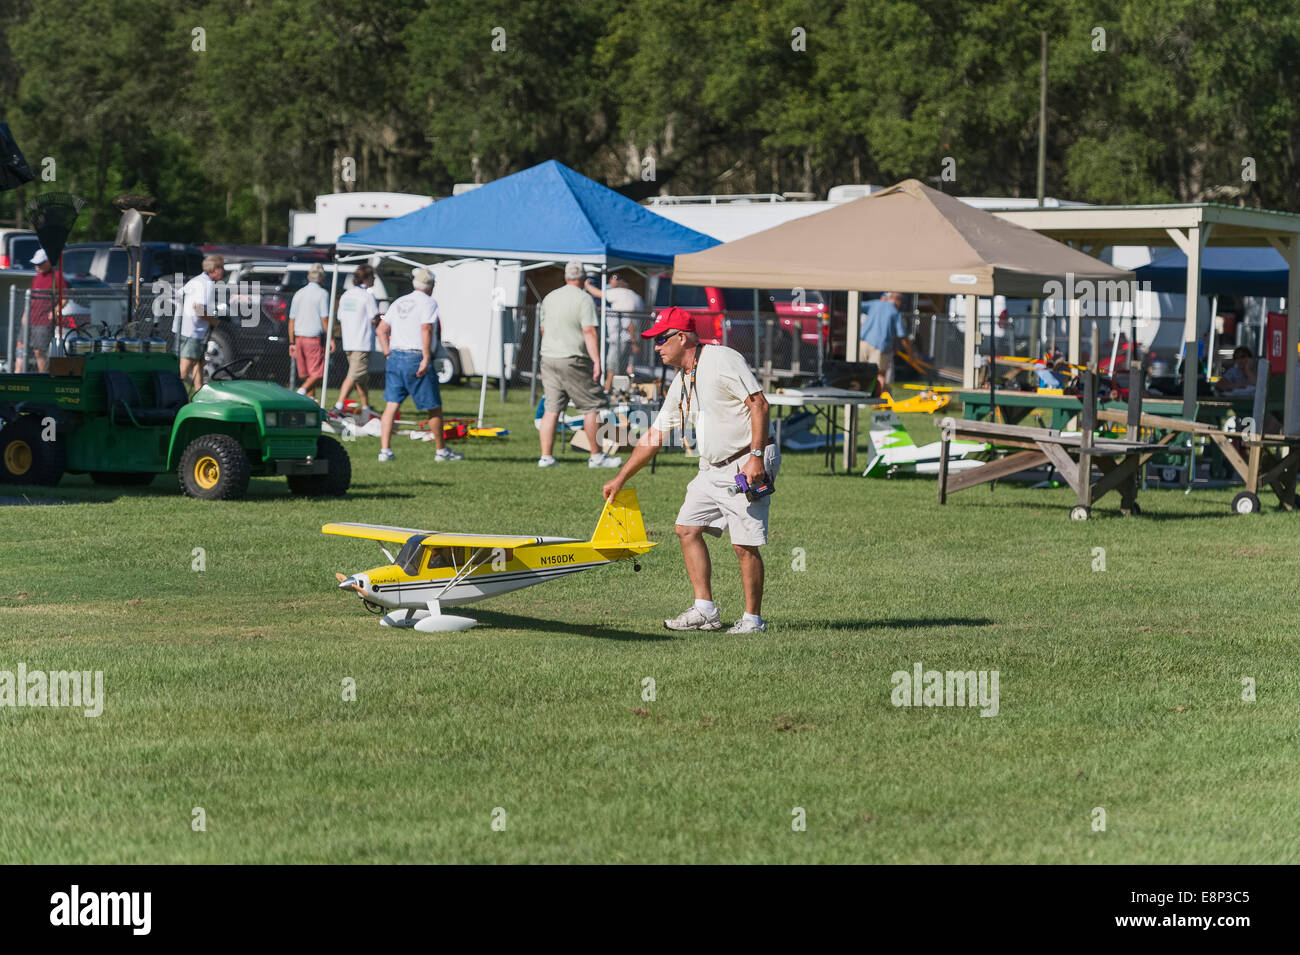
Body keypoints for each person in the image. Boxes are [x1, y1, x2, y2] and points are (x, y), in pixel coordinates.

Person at [601, 306, 779, 634]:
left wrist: (755, 458)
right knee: (686, 528)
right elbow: (654, 435)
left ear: (682, 338)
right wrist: (621, 476)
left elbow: (760, 404)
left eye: (662, 339)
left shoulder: (722, 358)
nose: (657, 347)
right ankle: (705, 611)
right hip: (711, 468)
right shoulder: (683, 378)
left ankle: (753, 620)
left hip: (746, 461)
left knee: (744, 545)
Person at [537, 261, 621, 468]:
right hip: (574, 358)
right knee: (591, 407)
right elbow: (589, 331)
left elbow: (543, 330)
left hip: (548, 357)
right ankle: (596, 456)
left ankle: (546, 457)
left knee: (551, 408)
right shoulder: (584, 299)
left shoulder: (550, 297)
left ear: (566, 277)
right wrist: (596, 361)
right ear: (584, 279)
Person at [375, 267, 464, 463]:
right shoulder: (429, 303)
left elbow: (381, 330)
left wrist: (387, 353)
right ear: (430, 286)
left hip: (395, 356)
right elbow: (426, 328)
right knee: (434, 407)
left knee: (391, 405)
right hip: (415, 357)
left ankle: (385, 451)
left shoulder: (399, 301)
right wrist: (425, 357)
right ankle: (441, 451)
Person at [334, 264, 380, 419]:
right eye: (372, 277)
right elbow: (374, 318)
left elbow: (340, 317)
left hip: (349, 341)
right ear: (366, 279)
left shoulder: (346, 295)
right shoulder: (368, 296)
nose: (374, 279)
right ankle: (338, 406)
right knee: (354, 375)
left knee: (361, 377)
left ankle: (366, 406)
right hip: (363, 342)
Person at [584, 271, 645, 391]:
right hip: (632, 340)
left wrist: (586, 285)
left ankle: (608, 390)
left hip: (622, 340)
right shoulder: (635, 296)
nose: (610, 282)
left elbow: (629, 323)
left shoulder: (619, 293)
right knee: (626, 369)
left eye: (613, 279)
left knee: (613, 368)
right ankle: (623, 393)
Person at [177, 254, 226, 391]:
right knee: (184, 370)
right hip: (193, 332)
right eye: (221, 267)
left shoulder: (196, 280)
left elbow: (180, 295)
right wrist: (214, 322)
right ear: (215, 269)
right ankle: (173, 396)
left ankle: (199, 395)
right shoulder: (207, 284)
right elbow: (198, 309)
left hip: (185, 329)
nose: (223, 271)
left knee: (199, 363)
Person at [24, 248, 66, 373]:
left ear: (48, 262)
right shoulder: (37, 277)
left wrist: (54, 312)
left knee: (40, 351)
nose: (37, 266)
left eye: (40, 263)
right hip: (31, 318)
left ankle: (42, 376)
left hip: (43, 321)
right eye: (35, 263)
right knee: (21, 346)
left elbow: (64, 298)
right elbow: (31, 298)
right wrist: (25, 314)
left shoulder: (57, 276)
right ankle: (17, 373)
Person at [860, 292, 908, 385]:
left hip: (863, 343)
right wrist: (911, 355)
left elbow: (858, 305)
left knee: (861, 373)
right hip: (879, 347)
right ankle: (879, 398)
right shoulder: (895, 311)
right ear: (897, 300)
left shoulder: (875, 303)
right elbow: (902, 336)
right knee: (880, 376)